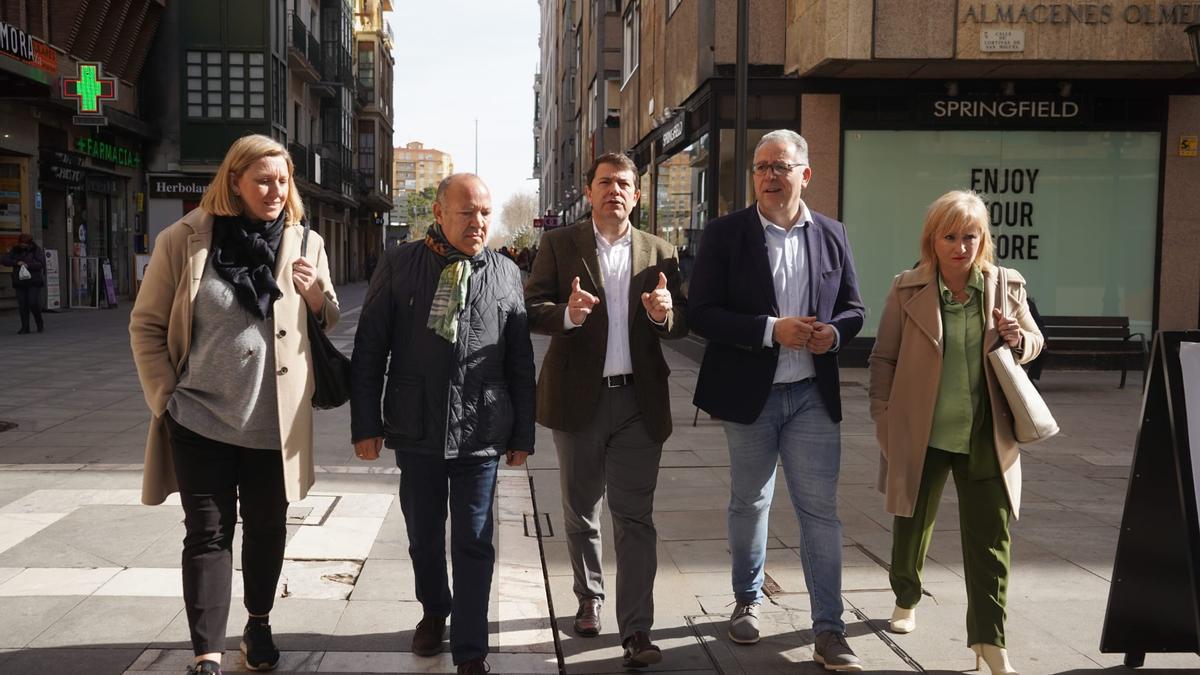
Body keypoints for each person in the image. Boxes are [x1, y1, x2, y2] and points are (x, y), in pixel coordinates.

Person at [130, 134, 340, 675]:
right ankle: (206, 651)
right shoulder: (184, 240)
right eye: (263, 180)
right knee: (207, 534)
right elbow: (147, 324)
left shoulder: (305, 242)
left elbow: (329, 315)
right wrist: (165, 396)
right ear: (234, 182)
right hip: (198, 417)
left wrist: (315, 292)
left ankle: (259, 622)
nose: (275, 190)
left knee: (267, 527)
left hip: (274, 424)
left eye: (282, 180)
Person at [688, 129, 866, 671]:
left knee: (820, 513)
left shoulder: (832, 234)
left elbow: (854, 309)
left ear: (804, 175)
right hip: (751, 397)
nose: (768, 175)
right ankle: (748, 598)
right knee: (750, 502)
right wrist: (771, 330)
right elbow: (701, 313)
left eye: (780, 167)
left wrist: (831, 335)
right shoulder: (725, 235)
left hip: (812, 394)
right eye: (761, 167)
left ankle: (830, 630)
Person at [350, 173, 536, 675]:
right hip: (417, 429)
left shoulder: (504, 273)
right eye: (467, 212)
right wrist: (365, 423)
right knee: (424, 537)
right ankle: (435, 611)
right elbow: (369, 350)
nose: (478, 222)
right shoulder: (400, 265)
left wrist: (523, 434)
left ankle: (471, 650)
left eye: (484, 213)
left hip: (480, 430)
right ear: (439, 213)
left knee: (474, 540)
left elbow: (520, 360)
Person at [868, 190, 1043, 675]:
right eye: (950, 236)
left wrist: (1018, 338)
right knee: (911, 523)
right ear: (933, 240)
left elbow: (1034, 341)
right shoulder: (906, 289)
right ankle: (905, 595)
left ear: (983, 239)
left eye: (970, 236)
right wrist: (883, 415)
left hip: (986, 432)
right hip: (919, 430)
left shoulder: (1006, 285)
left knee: (991, 538)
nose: (961, 246)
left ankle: (990, 640)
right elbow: (883, 358)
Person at [525, 152, 688, 669]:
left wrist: (665, 316)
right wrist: (566, 315)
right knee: (581, 509)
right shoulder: (559, 243)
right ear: (590, 192)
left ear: (636, 196)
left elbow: (681, 321)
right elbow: (530, 308)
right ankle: (589, 595)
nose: (614, 190)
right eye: (604, 183)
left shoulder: (661, 252)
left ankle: (637, 629)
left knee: (634, 516)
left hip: (639, 402)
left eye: (624, 183)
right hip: (577, 399)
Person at [2, 233, 45, 334]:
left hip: (34, 281)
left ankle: (39, 322)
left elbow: (41, 264)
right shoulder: (15, 250)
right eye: (21, 243)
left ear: (30, 243)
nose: (22, 245)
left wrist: (27, 265)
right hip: (19, 281)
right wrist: (17, 262)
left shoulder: (36, 250)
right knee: (22, 305)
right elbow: (4, 260)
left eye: (25, 244)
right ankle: (25, 327)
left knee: (32, 302)